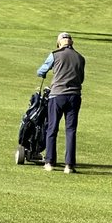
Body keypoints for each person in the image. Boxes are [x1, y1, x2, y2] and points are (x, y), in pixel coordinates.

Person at [37, 31, 85, 173]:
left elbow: (41, 71)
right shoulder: (80, 58)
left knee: (52, 128)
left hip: (57, 95)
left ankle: (49, 162)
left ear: (59, 43)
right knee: (71, 130)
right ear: (72, 43)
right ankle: (69, 165)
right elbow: (81, 78)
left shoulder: (55, 54)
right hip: (74, 96)